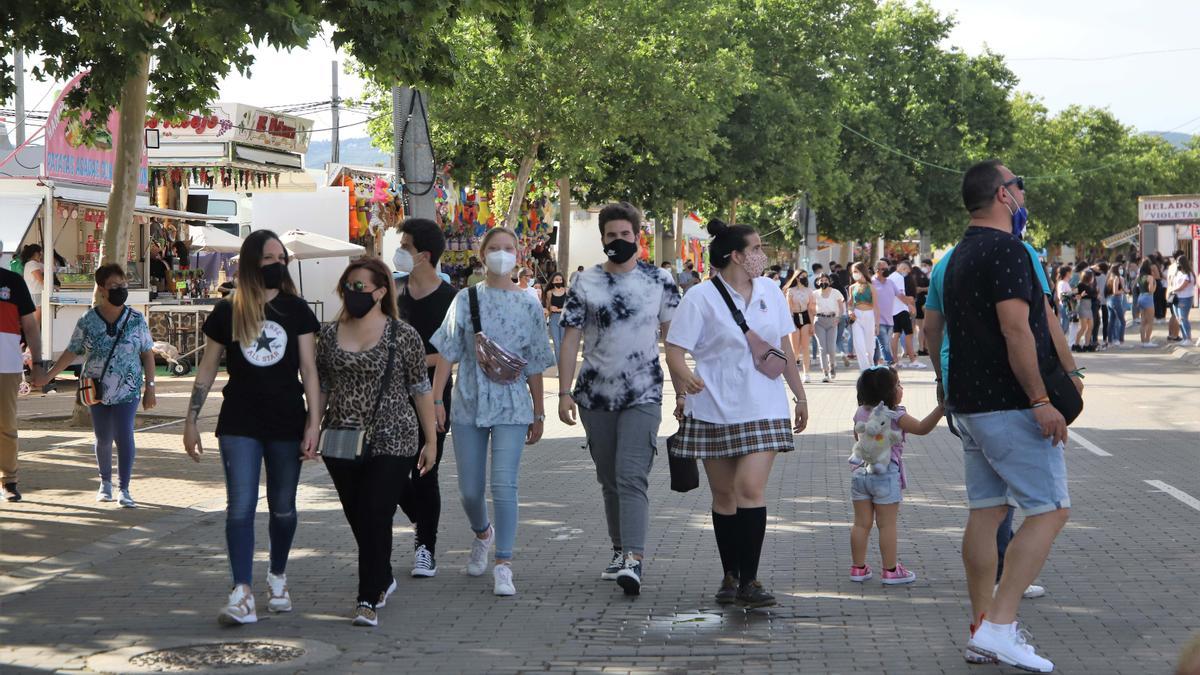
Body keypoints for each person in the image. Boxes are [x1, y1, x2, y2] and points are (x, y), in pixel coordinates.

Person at [925, 160, 1074, 672]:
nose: (1023, 193)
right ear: (1002, 195)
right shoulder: (1009, 250)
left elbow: (933, 330)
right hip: (1007, 405)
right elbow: (1018, 330)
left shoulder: (956, 256)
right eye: (1019, 186)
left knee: (986, 511)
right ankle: (999, 626)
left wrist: (944, 387)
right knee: (1050, 509)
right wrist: (1040, 400)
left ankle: (983, 625)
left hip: (969, 405)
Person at [665, 218, 809, 609]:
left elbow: (785, 350)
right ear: (735, 255)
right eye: (757, 249)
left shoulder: (770, 293)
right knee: (724, 496)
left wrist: (800, 397)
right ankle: (730, 575)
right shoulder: (700, 297)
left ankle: (751, 579)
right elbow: (674, 350)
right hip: (713, 408)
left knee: (749, 489)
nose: (762, 256)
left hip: (764, 406)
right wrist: (685, 380)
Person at [183, 229, 322, 626]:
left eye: (282, 258)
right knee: (240, 508)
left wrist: (314, 423)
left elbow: (310, 370)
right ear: (250, 263)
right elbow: (207, 368)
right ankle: (241, 590)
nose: (277, 264)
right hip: (239, 421)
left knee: (283, 508)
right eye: (269, 258)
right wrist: (191, 420)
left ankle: (277, 575)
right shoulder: (228, 311)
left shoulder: (297, 310)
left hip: (286, 421)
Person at [557, 202, 679, 596]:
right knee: (609, 478)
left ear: (637, 236)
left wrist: (684, 390)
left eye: (625, 234)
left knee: (631, 476)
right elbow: (571, 336)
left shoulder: (659, 279)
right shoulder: (586, 282)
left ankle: (634, 558)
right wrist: (563, 391)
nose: (618, 241)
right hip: (594, 394)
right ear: (603, 239)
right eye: (611, 235)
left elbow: (673, 338)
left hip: (643, 392)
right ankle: (618, 549)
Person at [431, 226, 555, 597]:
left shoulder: (530, 303)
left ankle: (504, 563)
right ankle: (483, 533)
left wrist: (540, 411)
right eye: (495, 248)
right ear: (482, 255)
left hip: (512, 405)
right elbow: (447, 352)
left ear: (518, 255)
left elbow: (535, 361)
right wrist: (437, 399)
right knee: (469, 491)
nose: (502, 254)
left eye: (509, 248)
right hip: (469, 402)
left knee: (504, 484)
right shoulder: (465, 299)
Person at [316, 257, 438, 626]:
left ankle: (368, 597)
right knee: (359, 516)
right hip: (340, 439)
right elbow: (320, 387)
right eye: (347, 287)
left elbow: (421, 390)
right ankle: (382, 575)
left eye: (361, 287)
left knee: (375, 511)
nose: (352, 294)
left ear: (381, 292)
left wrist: (429, 440)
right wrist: (310, 427)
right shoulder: (327, 334)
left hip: (394, 436)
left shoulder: (403, 335)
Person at [37, 264, 156, 507]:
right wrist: (49, 376)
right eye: (114, 286)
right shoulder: (89, 319)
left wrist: (151, 387)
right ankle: (105, 483)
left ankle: (124, 488)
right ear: (102, 289)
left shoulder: (136, 319)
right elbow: (72, 352)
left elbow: (147, 353)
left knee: (124, 434)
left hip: (128, 387)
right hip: (95, 388)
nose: (120, 290)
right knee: (102, 436)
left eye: (123, 286)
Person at [394, 218, 459, 578]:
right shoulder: (391, 290)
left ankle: (425, 547)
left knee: (425, 473)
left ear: (424, 255)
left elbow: (456, 350)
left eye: (405, 246)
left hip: (431, 398)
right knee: (389, 471)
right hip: (388, 400)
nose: (399, 251)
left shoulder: (451, 299)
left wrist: (416, 360)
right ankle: (423, 518)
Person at [848, 366, 943, 586]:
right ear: (889, 393)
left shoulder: (860, 412)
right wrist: (940, 409)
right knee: (886, 524)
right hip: (885, 475)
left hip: (861, 472)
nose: (901, 388)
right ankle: (891, 570)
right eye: (897, 384)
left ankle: (858, 568)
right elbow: (921, 428)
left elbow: (857, 436)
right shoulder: (896, 415)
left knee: (861, 523)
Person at [1, 265, 43, 502]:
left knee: (6, 426)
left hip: (5, 366)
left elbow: (30, 326)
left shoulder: (13, 281)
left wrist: (37, 364)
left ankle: (9, 481)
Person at [887, 260, 922, 368]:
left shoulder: (891, 277)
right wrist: (909, 304)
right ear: (899, 267)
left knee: (896, 334)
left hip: (893, 309)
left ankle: (895, 360)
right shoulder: (899, 278)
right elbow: (900, 295)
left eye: (906, 269)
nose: (905, 271)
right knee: (908, 334)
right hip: (901, 309)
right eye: (904, 268)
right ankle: (913, 360)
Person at [811, 273, 845, 382]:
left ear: (829, 282)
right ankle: (825, 372)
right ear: (817, 282)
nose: (823, 282)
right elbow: (811, 309)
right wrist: (811, 323)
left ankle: (832, 367)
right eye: (821, 280)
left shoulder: (836, 292)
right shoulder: (814, 294)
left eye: (825, 280)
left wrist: (838, 318)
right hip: (819, 321)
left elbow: (841, 306)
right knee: (822, 348)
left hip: (832, 321)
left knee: (831, 348)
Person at [783, 270, 815, 382]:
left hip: (805, 317)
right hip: (794, 318)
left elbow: (811, 309)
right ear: (797, 278)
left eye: (806, 276)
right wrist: (789, 322)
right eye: (802, 276)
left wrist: (812, 324)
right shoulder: (790, 291)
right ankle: (792, 372)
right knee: (794, 349)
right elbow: (788, 309)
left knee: (805, 347)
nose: (804, 278)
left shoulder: (809, 291)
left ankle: (806, 373)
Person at [871, 259, 903, 366]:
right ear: (876, 270)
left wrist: (910, 304)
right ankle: (890, 362)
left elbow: (899, 295)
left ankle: (874, 364)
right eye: (883, 269)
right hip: (877, 320)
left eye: (887, 268)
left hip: (889, 320)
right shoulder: (871, 283)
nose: (886, 271)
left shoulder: (890, 282)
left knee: (879, 344)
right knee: (883, 343)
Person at [848, 262, 878, 371]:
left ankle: (871, 364)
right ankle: (865, 369)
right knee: (859, 344)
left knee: (870, 346)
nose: (854, 274)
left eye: (856, 271)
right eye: (853, 272)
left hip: (869, 315)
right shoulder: (852, 287)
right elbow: (850, 304)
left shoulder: (871, 287)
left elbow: (876, 307)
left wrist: (877, 324)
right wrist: (849, 312)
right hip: (857, 316)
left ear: (862, 271)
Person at [1168, 255, 1195, 343]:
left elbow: (1182, 286)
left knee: (1183, 318)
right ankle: (1184, 338)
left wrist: (1172, 289)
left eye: (1179, 263)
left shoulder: (1188, 274)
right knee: (1179, 319)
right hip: (1177, 298)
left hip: (1185, 298)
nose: (1177, 265)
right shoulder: (1178, 272)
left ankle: (1188, 338)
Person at [543, 272, 568, 364]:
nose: (559, 281)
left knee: (563, 343)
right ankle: (560, 367)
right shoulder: (550, 293)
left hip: (564, 319)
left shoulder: (567, 291)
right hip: (553, 319)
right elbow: (548, 307)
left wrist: (560, 309)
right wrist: (550, 308)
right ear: (552, 281)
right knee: (556, 344)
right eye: (557, 280)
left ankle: (564, 365)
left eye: (560, 280)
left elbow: (571, 306)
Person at [20, 244, 45, 325]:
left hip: (33, 292)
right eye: (40, 253)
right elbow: (40, 279)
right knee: (37, 317)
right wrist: (53, 287)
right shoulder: (33, 264)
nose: (41, 255)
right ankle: (37, 334)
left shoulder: (30, 263)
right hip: (37, 292)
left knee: (37, 316)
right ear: (35, 253)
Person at [1073, 270, 1097, 352]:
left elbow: (1093, 296)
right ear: (1089, 277)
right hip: (1083, 306)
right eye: (1092, 277)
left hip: (1089, 307)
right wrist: (1080, 295)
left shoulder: (1090, 285)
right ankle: (1076, 344)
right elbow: (1074, 296)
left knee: (1090, 327)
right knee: (1083, 327)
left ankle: (1087, 345)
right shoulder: (1080, 285)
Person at [1135, 259, 1158, 348]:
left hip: (1140, 296)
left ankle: (1143, 341)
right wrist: (1155, 285)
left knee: (1143, 321)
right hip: (1148, 297)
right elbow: (1151, 290)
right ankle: (1148, 341)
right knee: (1150, 321)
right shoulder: (1150, 277)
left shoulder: (1140, 277)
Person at [1107, 270, 1130, 348]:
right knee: (1122, 321)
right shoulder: (1117, 278)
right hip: (1115, 300)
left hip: (1111, 300)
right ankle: (1121, 341)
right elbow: (1115, 291)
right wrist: (1124, 291)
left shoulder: (1111, 278)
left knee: (1112, 321)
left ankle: (1110, 341)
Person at [1054, 266, 1074, 336]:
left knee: (1066, 326)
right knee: (1064, 327)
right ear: (1067, 273)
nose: (1072, 274)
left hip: (1066, 306)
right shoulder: (1062, 283)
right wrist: (1073, 294)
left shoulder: (1064, 282)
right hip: (1064, 306)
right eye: (1071, 272)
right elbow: (1062, 295)